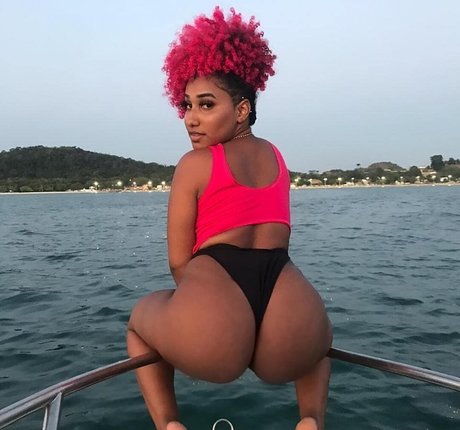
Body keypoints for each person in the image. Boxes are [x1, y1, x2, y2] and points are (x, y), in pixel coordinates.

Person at [127, 7, 332, 430]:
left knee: (138, 325)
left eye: (206, 105)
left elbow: (179, 262)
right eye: (186, 105)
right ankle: (310, 418)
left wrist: (207, 314)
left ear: (241, 110)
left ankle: (169, 424)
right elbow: (278, 238)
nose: (190, 118)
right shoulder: (276, 157)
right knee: (319, 347)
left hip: (214, 316)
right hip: (291, 315)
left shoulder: (195, 164)